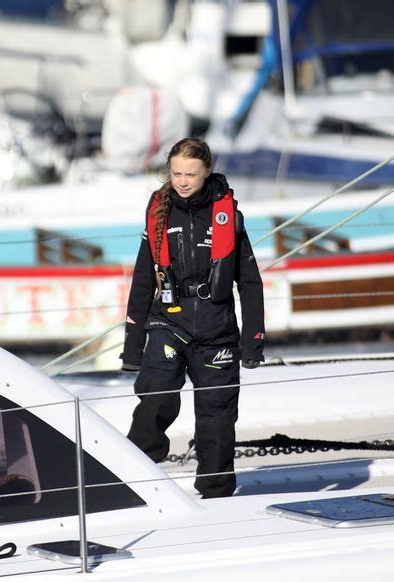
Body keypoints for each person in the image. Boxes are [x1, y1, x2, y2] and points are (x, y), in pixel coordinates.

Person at [121, 137, 265, 498]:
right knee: (155, 400)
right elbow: (142, 279)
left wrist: (254, 340)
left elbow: (249, 282)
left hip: (217, 330)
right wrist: (132, 348)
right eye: (175, 173)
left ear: (207, 172)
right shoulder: (159, 212)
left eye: (191, 174)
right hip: (168, 321)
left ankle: (215, 492)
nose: (182, 181)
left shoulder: (226, 216)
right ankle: (128, 481)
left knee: (217, 416)